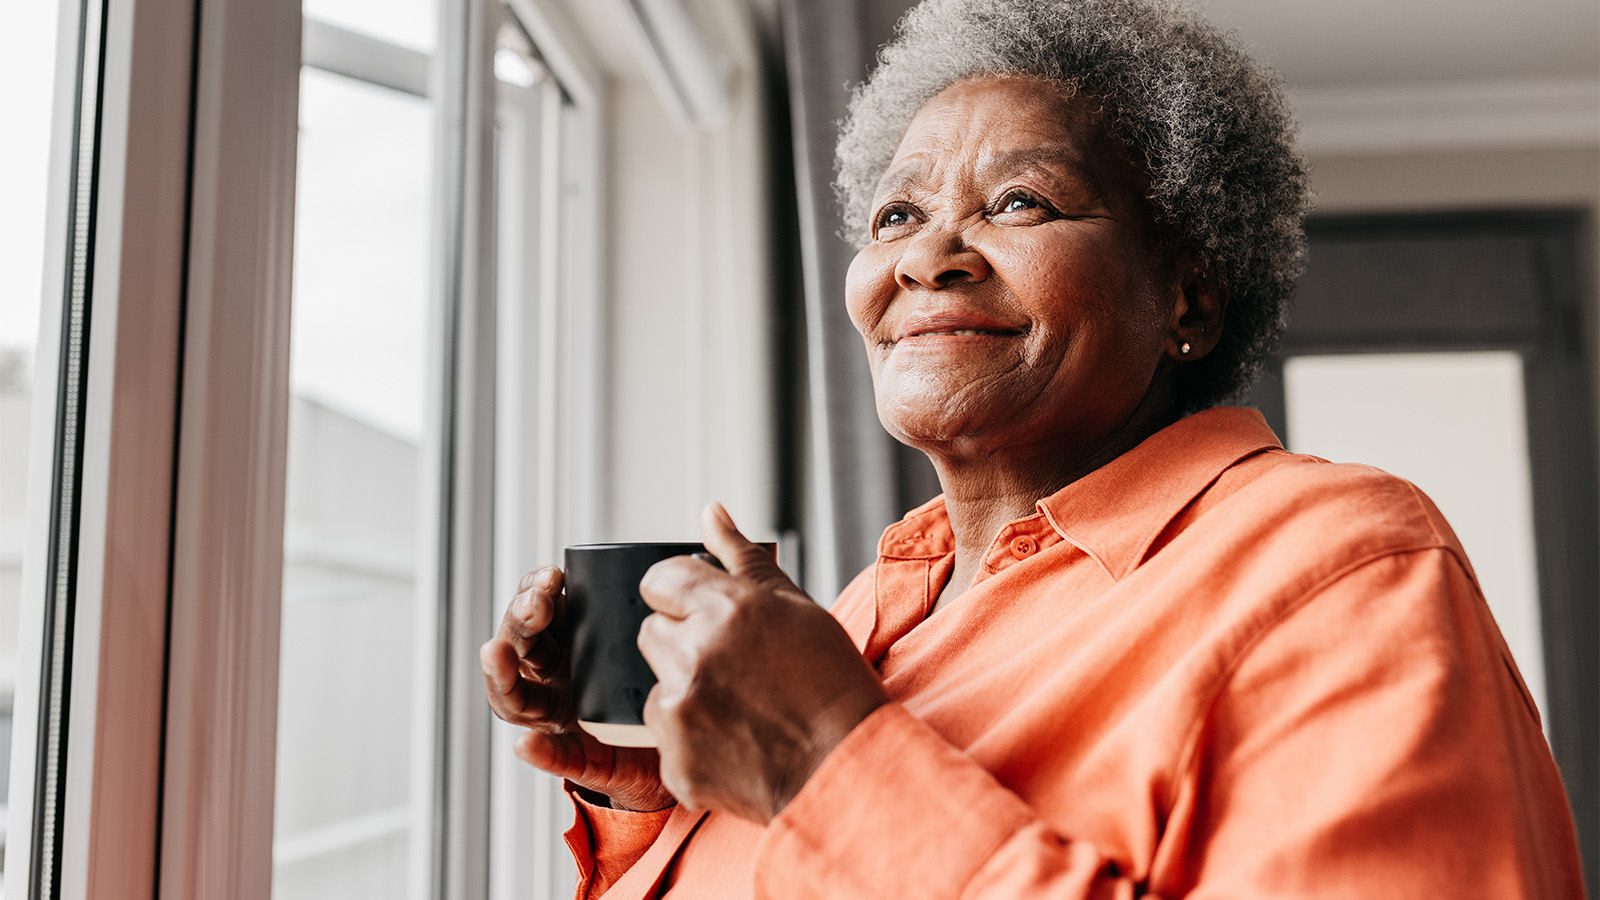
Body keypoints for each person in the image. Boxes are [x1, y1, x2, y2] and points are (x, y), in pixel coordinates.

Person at [480, 0, 1586, 896]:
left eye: (1019, 201)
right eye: (894, 217)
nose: (928, 260)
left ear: (1186, 297)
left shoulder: (1336, 564)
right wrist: (665, 801)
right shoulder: (867, 608)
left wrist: (828, 757)